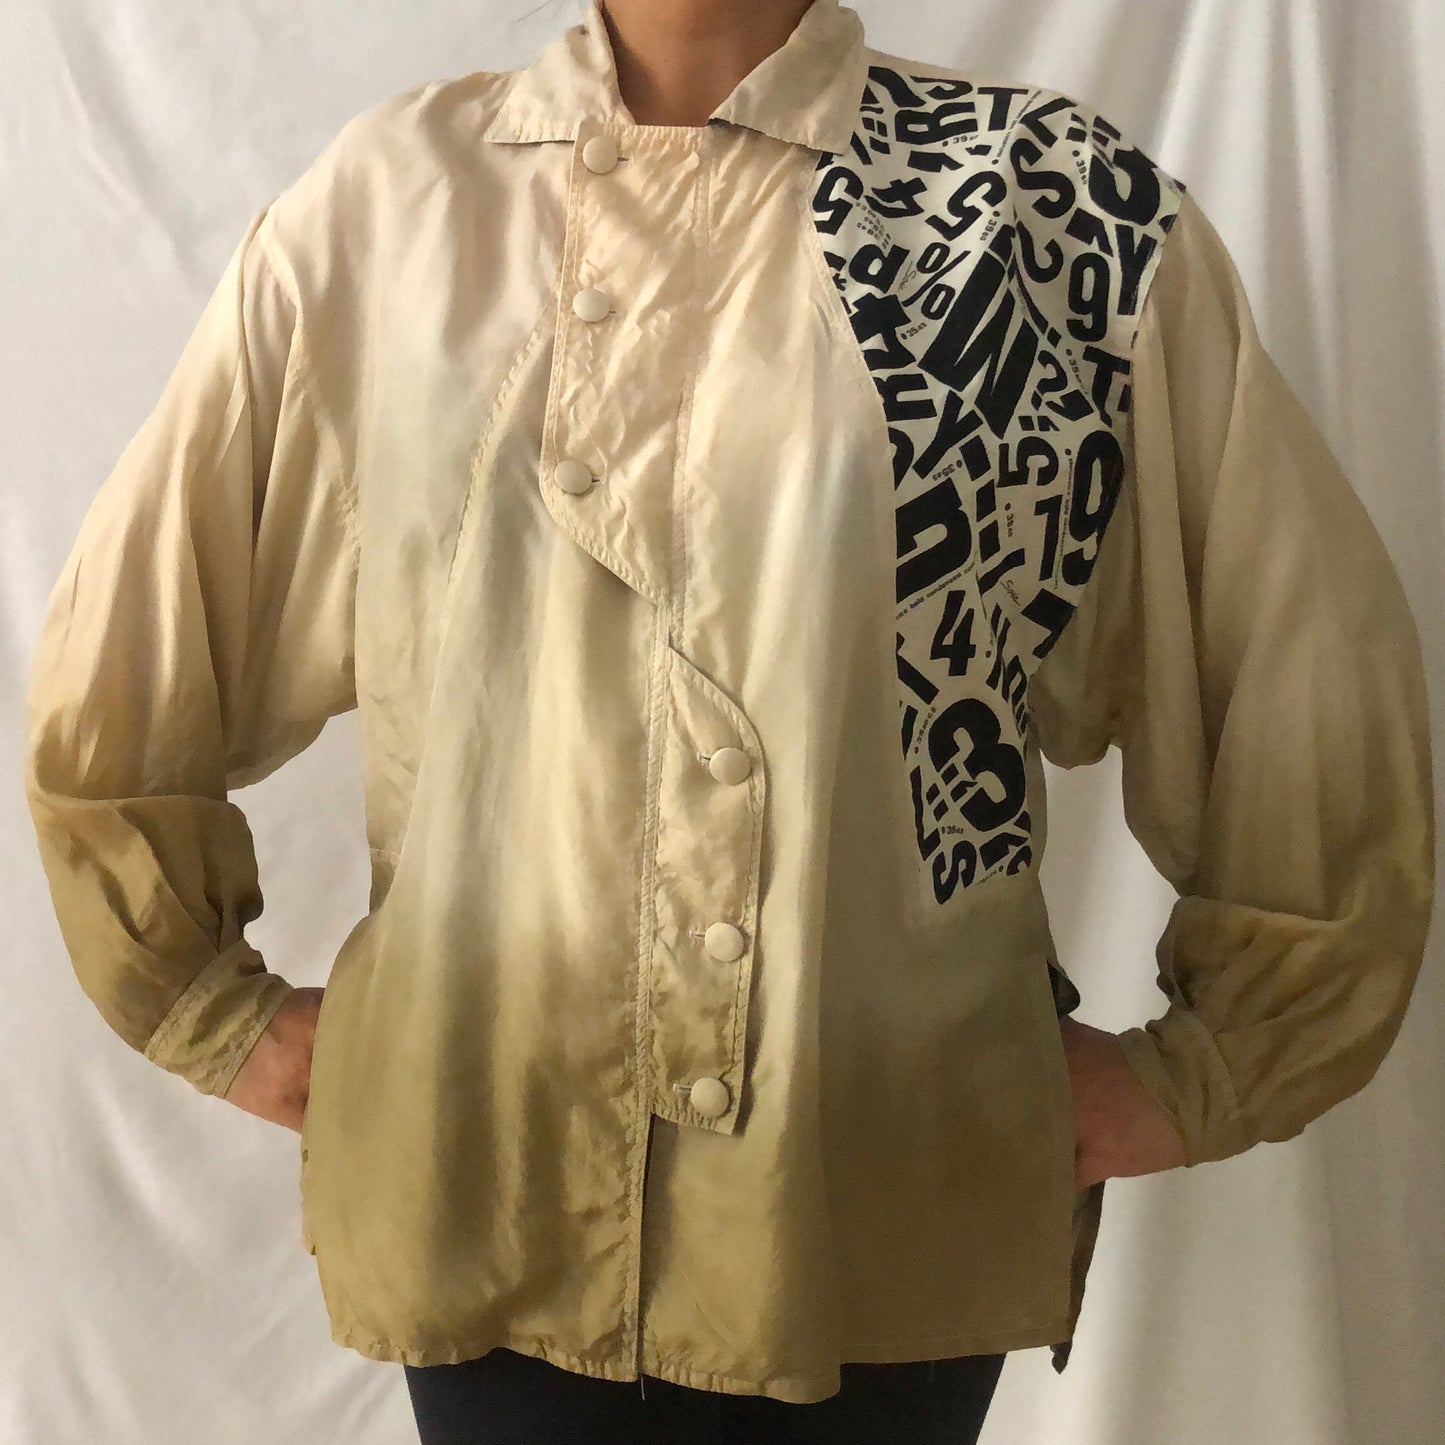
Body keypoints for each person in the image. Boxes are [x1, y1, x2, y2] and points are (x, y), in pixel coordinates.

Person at [22, 0, 1434, 1441]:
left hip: (869, 1199)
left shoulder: (1032, 206)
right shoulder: (391, 208)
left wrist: (1211, 1065)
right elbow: (130, 658)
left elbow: (1296, 658)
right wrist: (212, 1008)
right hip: (493, 1192)